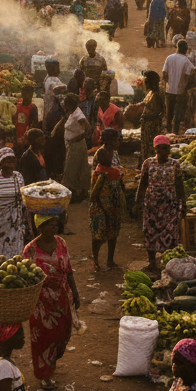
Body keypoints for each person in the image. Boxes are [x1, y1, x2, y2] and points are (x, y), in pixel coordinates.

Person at [25, 215, 79, 390]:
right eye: (48, 225)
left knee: (63, 334)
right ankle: (44, 375)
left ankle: (51, 361)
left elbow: (68, 270)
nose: (53, 228)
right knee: (42, 337)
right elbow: (26, 277)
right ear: (39, 227)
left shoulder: (61, 242)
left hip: (62, 296)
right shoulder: (30, 249)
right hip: (41, 301)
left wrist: (75, 292)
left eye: (55, 224)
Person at [135, 136, 186, 274]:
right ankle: (152, 263)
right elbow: (143, 183)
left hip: (169, 205)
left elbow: (180, 185)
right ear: (155, 149)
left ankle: (169, 263)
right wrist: (137, 201)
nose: (163, 152)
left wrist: (184, 203)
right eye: (160, 149)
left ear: (169, 150)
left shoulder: (175, 164)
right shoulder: (148, 163)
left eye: (166, 149)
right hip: (151, 205)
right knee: (150, 231)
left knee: (170, 232)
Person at [90, 131, 125, 270]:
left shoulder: (114, 152)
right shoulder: (103, 153)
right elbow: (100, 181)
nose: (118, 142)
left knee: (114, 229)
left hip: (113, 193)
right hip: (102, 195)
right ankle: (96, 259)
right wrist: (97, 200)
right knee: (100, 230)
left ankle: (110, 260)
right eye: (116, 140)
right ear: (108, 141)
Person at [0, 147, 27, 258]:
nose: (10, 164)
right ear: (0, 163)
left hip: (15, 221)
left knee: (15, 248)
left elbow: (23, 199)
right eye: (7, 161)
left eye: (12, 161)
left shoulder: (19, 177)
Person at [61, 93, 91, 202]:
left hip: (77, 145)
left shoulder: (78, 114)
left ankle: (75, 194)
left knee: (71, 169)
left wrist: (78, 137)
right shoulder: (73, 112)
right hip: (74, 145)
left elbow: (87, 128)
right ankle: (80, 192)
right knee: (79, 168)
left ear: (69, 104)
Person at [162, 39, 194, 134]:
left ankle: (168, 130)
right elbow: (190, 74)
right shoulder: (186, 61)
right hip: (180, 91)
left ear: (177, 47)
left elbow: (164, 73)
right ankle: (175, 132)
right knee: (178, 113)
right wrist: (185, 86)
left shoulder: (169, 58)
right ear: (186, 49)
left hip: (169, 90)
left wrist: (168, 83)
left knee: (169, 112)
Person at [138, 70, 166, 168]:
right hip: (146, 124)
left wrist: (160, 122)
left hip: (153, 125)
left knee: (150, 148)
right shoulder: (151, 92)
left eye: (146, 80)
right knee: (145, 147)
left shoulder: (159, 93)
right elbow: (144, 103)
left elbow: (164, 110)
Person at [14, 85, 39, 152]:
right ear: (22, 94)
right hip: (16, 135)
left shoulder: (33, 108)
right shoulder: (17, 105)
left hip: (26, 138)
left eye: (30, 94)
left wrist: (27, 137)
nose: (28, 96)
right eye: (26, 94)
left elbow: (34, 124)